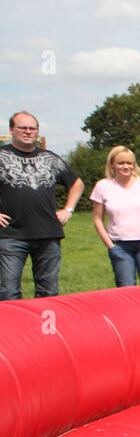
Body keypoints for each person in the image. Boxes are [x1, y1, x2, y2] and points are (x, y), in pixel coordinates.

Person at [0, 111, 83, 300]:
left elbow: (77, 183)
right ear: (12, 130)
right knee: (9, 291)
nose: (28, 132)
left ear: (37, 132)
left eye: (32, 128)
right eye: (22, 127)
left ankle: (46, 329)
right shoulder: (1, 155)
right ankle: (10, 329)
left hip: (48, 233)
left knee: (49, 292)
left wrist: (68, 210)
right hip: (11, 235)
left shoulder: (51, 158)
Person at [89, 146, 140, 286]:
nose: (126, 166)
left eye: (129, 163)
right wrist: (110, 245)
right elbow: (97, 219)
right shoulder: (102, 186)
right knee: (126, 289)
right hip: (120, 246)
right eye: (121, 163)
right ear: (112, 164)